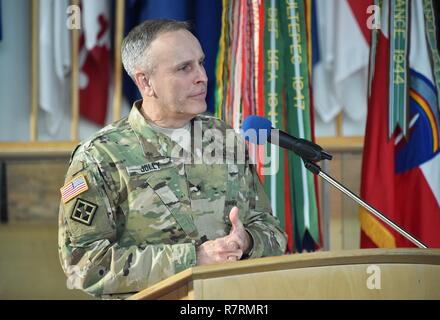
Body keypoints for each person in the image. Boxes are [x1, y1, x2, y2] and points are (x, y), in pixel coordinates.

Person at [58, 19, 287, 299]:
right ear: (145, 82)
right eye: (184, 68)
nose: (202, 76)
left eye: (200, 63)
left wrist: (247, 241)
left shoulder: (224, 138)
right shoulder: (99, 156)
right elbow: (83, 265)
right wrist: (192, 259)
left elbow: (271, 229)